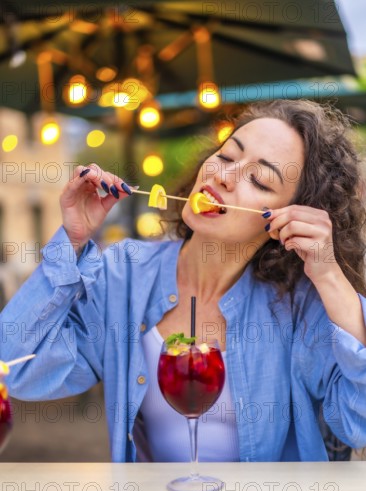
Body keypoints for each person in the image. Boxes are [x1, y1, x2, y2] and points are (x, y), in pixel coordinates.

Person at [1, 99, 366, 463]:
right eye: (226, 157)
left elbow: (358, 424)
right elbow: (17, 368)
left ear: (287, 219)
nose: (223, 176)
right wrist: (72, 240)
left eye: (258, 179)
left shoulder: (301, 308)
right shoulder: (124, 274)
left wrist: (330, 275)